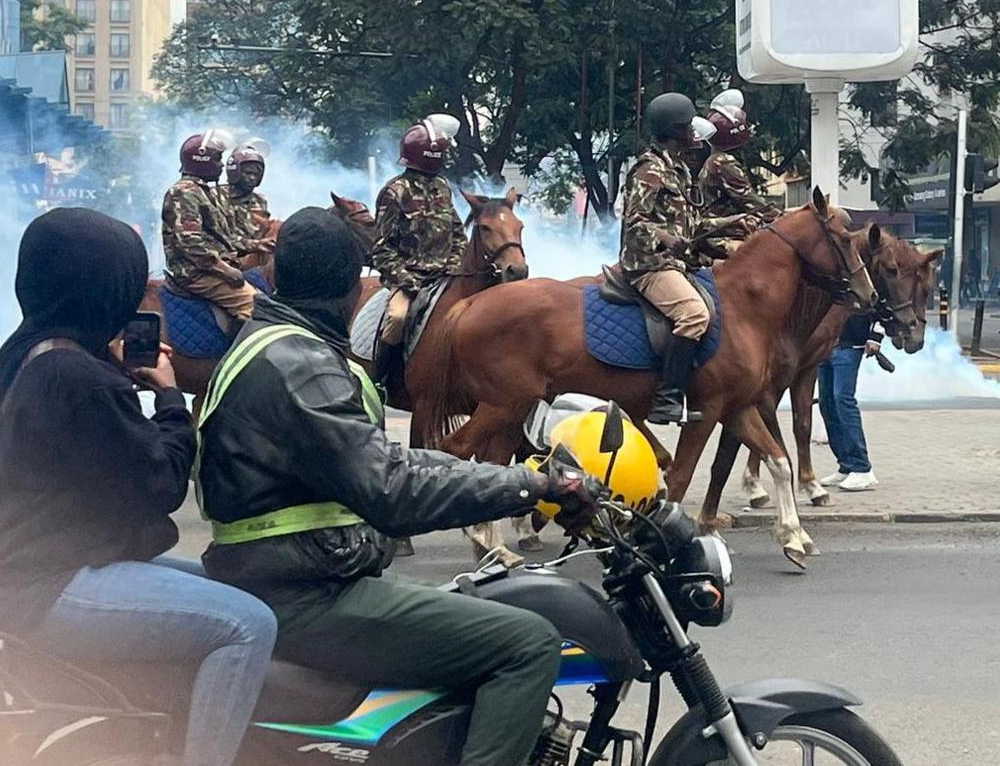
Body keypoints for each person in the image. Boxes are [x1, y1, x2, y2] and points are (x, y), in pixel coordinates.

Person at [194, 207, 600, 766]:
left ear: (278, 275)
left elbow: (387, 460)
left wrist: (522, 478)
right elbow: (391, 490)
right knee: (527, 643)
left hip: (284, 573)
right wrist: (529, 486)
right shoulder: (303, 365)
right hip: (305, 592)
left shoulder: (270, 344)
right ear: (349, 284)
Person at [0, 208, 277, 766]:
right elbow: (161, 483)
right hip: (47, 581)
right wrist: (172, 399)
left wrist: (117, 376)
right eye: (131, 278)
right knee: (248, 623)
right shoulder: (78, 378)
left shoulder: (31, 352)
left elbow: (77, 454)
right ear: (101, 284)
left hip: (36, 565)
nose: (141, 290)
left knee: (236, 584)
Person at [622, 92, 760, 424]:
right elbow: (634, 222)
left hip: (678, 263)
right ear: (674, 131)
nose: (694, 132)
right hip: (649, 265)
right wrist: (666, 238)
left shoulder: (680, 170)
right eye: (688, 126)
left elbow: (693, 224)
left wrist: (732, 222)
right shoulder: (649, 169)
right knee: (694, 314)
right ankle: (667, 398)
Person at [371, 113, 465, 381]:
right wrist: (408, 281)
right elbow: (381, 248)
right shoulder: (395, 192)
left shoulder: (442, 187)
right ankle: (383, 380)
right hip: (408, 281)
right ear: (431, 154)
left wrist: (454, 264)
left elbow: (457, 233)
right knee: (398, 319)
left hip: (444, 277)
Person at [162, 131, 261, 329]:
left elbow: (223, 238)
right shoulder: (185, 192)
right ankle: (239, 358)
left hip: (211, 268)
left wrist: (258, 245)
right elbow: (191, 243)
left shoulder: (203, 192)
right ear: (202, 161)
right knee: (258, 310)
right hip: (197, 273)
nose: (222, 165)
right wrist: (224, 269)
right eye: (217, 160)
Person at [817, 315, 883, 491]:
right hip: (826, 345)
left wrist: (876, 337)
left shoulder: (868, 285)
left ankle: (862, 468)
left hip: (850, 344)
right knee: (826, 403)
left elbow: (883, 307)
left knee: (843, 400)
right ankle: (846, 464)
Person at [698, 89, 782, 228]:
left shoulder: (714, 160)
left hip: (718, 229)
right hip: (725, 234)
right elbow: (753, 203)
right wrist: (787, 219)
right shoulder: (723, 163)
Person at [222, 142, 274, 248]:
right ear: (234, 171)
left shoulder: (260, 201)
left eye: (255, 174)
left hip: (251, 258)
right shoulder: (216, 196)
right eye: (248, 173)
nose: (252, 178)